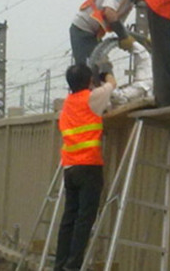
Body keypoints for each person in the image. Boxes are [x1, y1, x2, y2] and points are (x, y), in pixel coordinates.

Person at [54, 62, 115, 271]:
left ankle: (60, 264)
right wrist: (107, 72)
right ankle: (73, 266)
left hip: (70, 167)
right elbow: (111, 85)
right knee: (84, 220)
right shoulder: (92, 97)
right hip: (89, 165)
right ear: (89, 81)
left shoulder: (67, 104)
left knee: (69, 218)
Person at [70, 0, 145, 65]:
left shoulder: (130, 2)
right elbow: (109, 13)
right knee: (87, 71)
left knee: (104, 68)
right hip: (82, 30)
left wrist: (130, 38)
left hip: (94, 35)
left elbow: (118, 23)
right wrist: (124, 36)